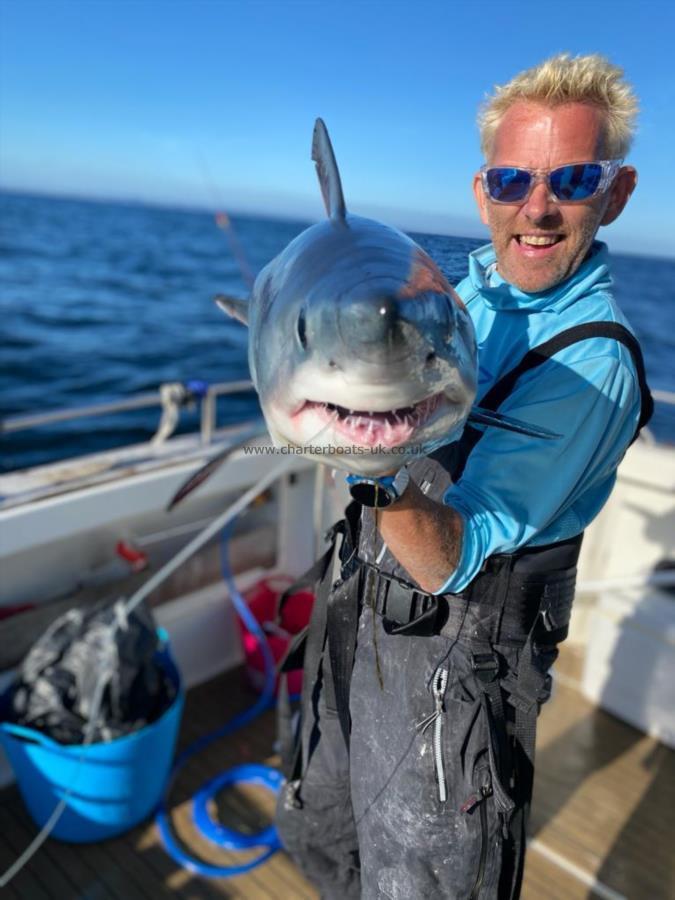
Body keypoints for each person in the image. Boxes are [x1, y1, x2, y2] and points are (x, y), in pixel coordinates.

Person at [275, 53, 653, 900]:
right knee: (329, 830)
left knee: (426, 876)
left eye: (574, 178)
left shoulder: (594, 367)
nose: (538, 209)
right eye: (514, 178)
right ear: (483, 190)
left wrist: (369, 463)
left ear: (615, 192)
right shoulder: (455, 291)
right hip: (361, 620)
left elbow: (453, 557)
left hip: (459, 676)